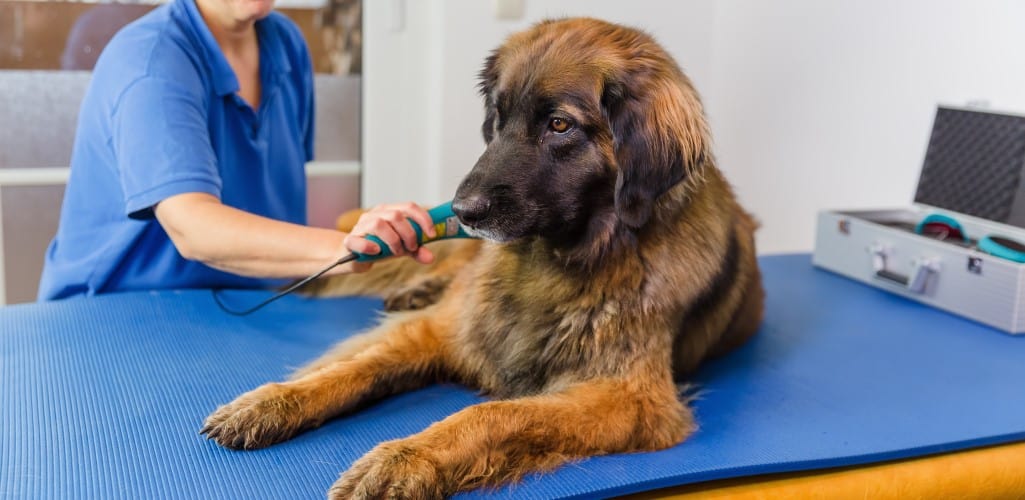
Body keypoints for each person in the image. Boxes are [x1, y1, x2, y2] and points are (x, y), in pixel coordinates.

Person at [38, 0, 433, 301]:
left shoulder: (285, 44)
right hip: (116, 310)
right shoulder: (151, 61)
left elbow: (270, 196)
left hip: (247, 303)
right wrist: (348, 247)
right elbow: (193, 228)